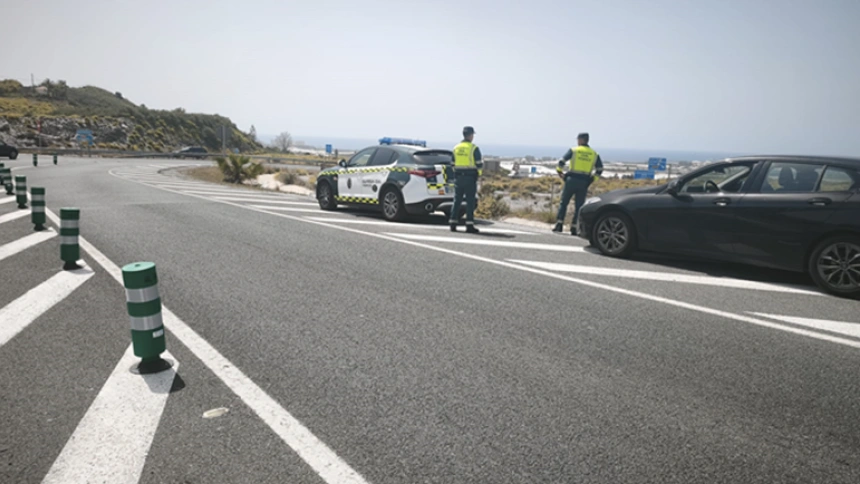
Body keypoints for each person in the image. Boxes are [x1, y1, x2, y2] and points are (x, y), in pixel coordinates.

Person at [553, 132, 603, 235]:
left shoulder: (574, 150)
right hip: (584, 181)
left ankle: (559, 224)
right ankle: (574, 228)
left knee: (564, 202)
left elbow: (562, 161)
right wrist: (592, 179)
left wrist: (560, 172)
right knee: (579, 206)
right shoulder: (594, 154)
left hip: (571, 179)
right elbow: (600, 169)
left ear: (580, 140)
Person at [449, 126, 483, 233]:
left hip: (458, 177)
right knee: (470, 201)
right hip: (470, 177)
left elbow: (452, 164)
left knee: (457, 200)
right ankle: (469, 225)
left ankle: (453, 223)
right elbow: (479, 164)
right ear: (471, 135)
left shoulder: (456, 148)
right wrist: (479, 174)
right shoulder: (473, 148)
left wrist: (456, 173)